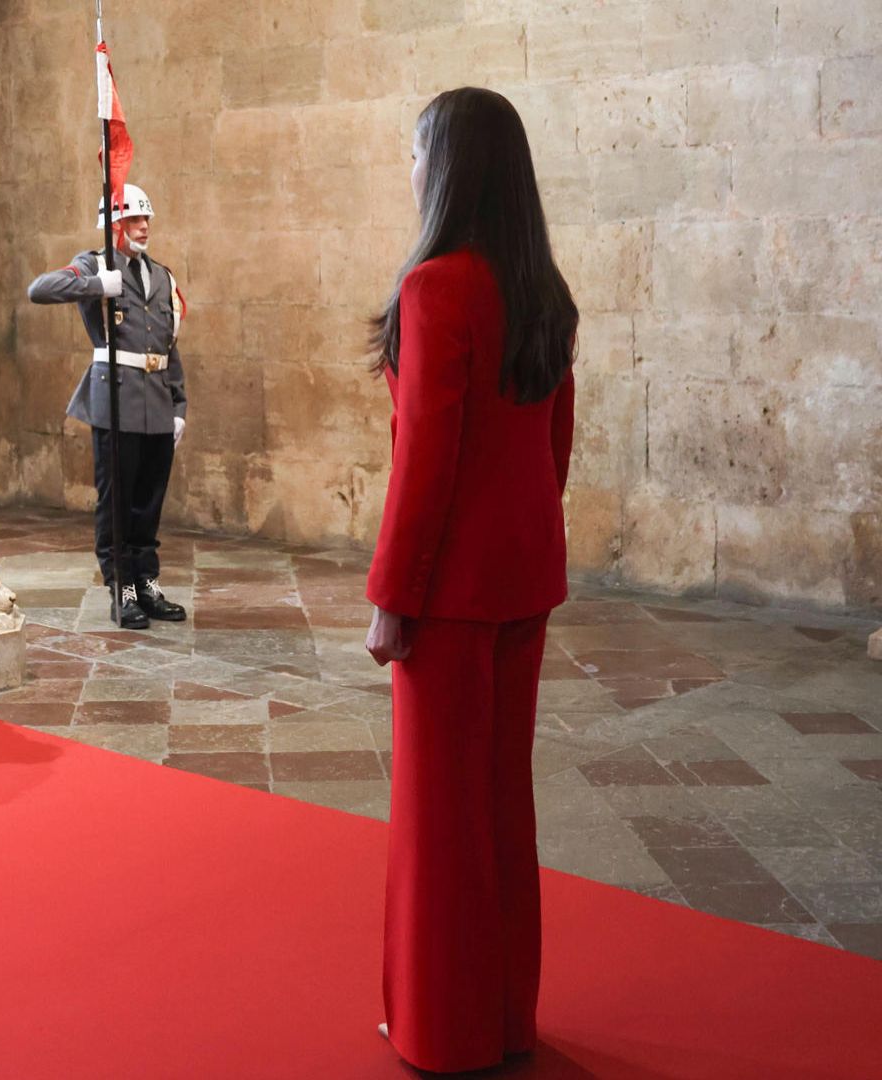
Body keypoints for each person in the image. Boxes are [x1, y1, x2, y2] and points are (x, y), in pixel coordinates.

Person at [363, 87, 578, 1074]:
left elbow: (426, 464)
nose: (410, 172)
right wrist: (524, 541)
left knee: (440, 820)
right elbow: (553, 446)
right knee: (501, 806)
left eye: (416, 155)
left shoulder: (438, 285)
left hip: (446, 593)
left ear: (445, 167)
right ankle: (502, 1019)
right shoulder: (541, 289)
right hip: (522, 577)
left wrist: (392, 599)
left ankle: (444, 1033)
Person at [26, 185, 188, 629]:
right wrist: (98, 284)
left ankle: (147, 581)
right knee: (117, 500)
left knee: (149, 502)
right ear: (114, 225)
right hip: (116, 398)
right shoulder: (94, 264)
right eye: (135, 220)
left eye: (146, 220)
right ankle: (123, 588)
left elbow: (169, 345)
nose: (144, 227)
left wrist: (179, 404)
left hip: (156, 401)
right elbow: (39, 289)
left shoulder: (162, 275)